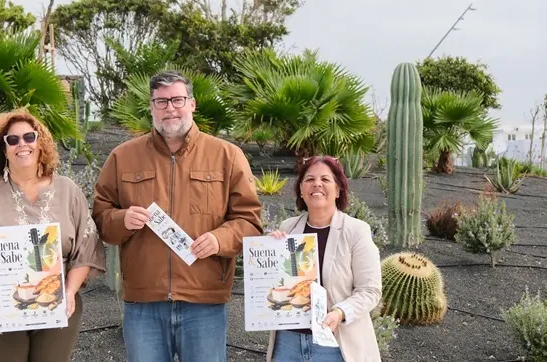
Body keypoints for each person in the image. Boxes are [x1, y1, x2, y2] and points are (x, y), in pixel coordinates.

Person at [92, 70, 263, 362]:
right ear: (151, 107)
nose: (169, 108)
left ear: (192, 104)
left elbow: (250, 222)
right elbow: (99, 217)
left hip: (204, 301)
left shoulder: (227, 156)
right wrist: (122, 221)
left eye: (177, 99)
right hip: (144, 304)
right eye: (161, 102)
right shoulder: (123, 157)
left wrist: (220, 239)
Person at [0, 109, 106, 362]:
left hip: (56, 304)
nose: (22, 144)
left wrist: (70, 293)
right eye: (13, 140)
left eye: (29, 137)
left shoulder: (69, 191)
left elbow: (85, 250)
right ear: (3, 149)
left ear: (40, 142)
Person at [265, 156, 382, 362]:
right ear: (301, 189)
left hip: (335, 344)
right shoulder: (287, 228)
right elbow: (275, 288)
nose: (316, 184)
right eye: (309, 179)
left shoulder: (356, 231)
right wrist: (268, 252)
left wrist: (340, 312)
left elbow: (370, 290)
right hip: (288, 343)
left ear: (338, 190)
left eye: (325, 179)